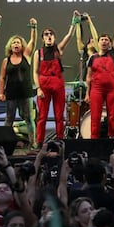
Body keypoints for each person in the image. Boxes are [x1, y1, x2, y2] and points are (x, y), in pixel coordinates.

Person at [33, 11, 79, 145]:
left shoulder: (58, 49)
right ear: (42, 38)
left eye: (51, 34)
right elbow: (35, 72)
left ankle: (60, 140)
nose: (49, 36)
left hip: (58, 83)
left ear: (54, 37)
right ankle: (40, 141)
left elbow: (69, 35)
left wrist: (74, 20)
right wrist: (38, 88)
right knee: (42, 116)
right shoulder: (38, 53)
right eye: (46, 35)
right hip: (44, 84)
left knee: (60, 116)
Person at [0, 18, 38, 149]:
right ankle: (5, 144)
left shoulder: (27, 56)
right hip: (11, 94)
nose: (16, 44)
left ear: (22, 46)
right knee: (9, 119)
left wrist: (34, 27)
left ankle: (33, 143)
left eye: (18, 42)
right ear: (10, 46)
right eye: (14, 42)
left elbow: (33, 41)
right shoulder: (6, 60)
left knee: (29, 119)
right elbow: (2, 78)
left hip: (26, 93)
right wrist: (1, 93)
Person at [85, 11, 114, 139]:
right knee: (95, 116)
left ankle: (112, 139)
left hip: (112, 90)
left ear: (110, 43)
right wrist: (87, 93)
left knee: (112, 116)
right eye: (102, 40)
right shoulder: (92, 57)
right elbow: (89, 77)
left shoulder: (113, 53)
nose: (104, 41)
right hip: (96, 90)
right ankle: (94, 141)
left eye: (107, 40)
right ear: (98, 43)